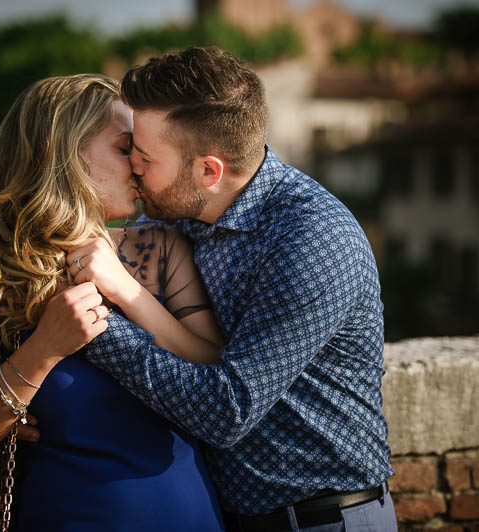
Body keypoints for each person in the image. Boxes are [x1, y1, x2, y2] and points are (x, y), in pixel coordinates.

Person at [73, 47, 398, 532]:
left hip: (324, 519)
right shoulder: (182, 213)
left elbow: (227, 409)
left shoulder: (309, 237)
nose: (134, 169)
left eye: (145, 157)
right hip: (230, 517)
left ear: (209, 171)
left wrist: (92, 327)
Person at [0, 74, 227, 531]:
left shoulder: (163, 249)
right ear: (66, 153)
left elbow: (217, 379)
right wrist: (40, 352)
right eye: (125, 148)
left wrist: (128, 290)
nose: (140, 166)